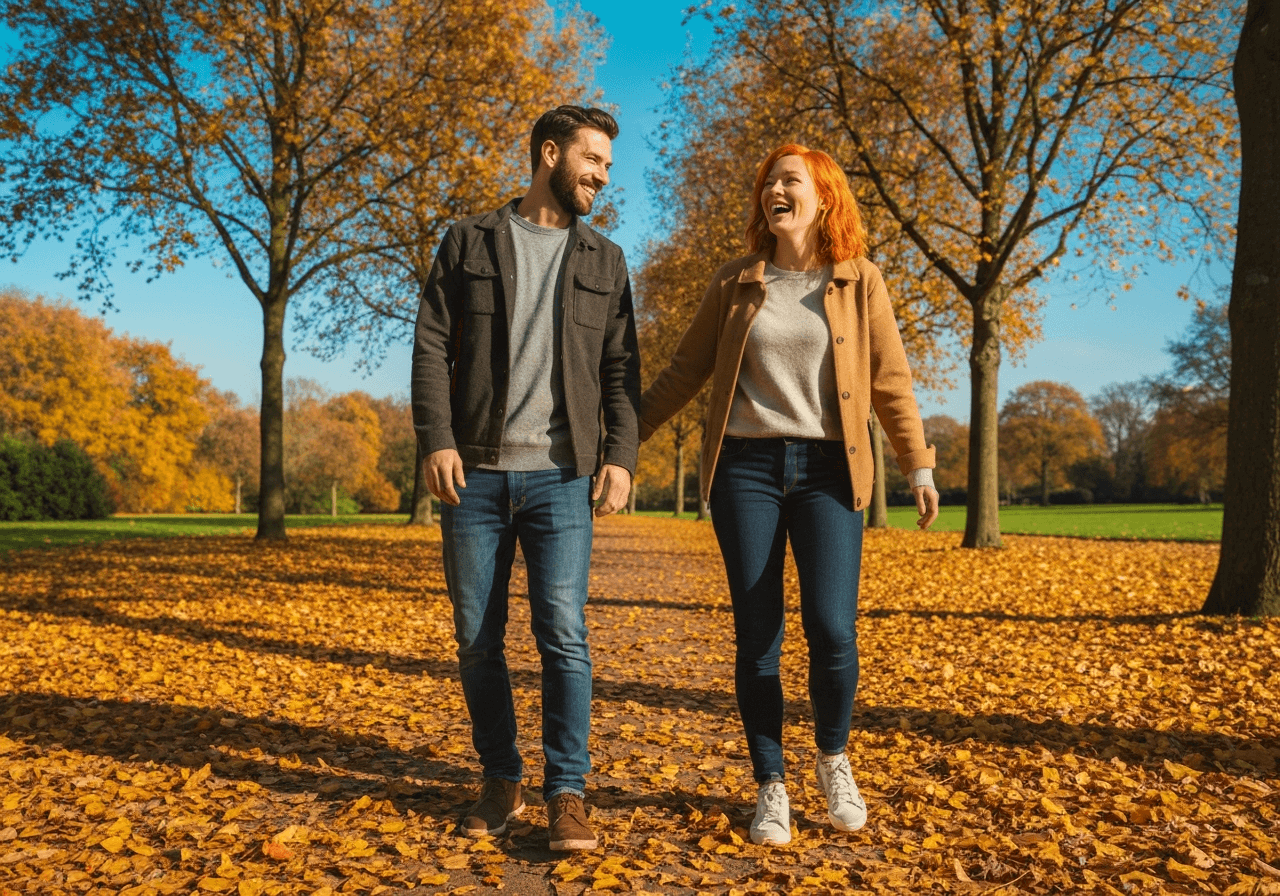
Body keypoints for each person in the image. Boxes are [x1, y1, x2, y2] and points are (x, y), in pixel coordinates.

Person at [639, 143, 939, 846]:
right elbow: (685, 371)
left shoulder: (858, 280)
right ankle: (770, 783)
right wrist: (621, 442)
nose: (774, 188)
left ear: (823, 196)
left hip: (832, 470)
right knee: (759, 636)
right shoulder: (736, 282)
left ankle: (833, 758)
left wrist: (918, 464)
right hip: (746, 469)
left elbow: (891, 379)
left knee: (833, 629)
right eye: (768, 180)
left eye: (790, 179)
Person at [411, 105, 640, 852]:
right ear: (550, 153)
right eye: (594, 160)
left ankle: (566, 793)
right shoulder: (468, 239)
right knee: (477, 640)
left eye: (607, 164)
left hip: (562, 479)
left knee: (564, 636)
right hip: (473, 477)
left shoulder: (605, 259)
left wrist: (621, 455)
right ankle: (500, 777)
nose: (603, 176)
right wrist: (437, 438)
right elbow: (432, 343)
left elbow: (620, 370)